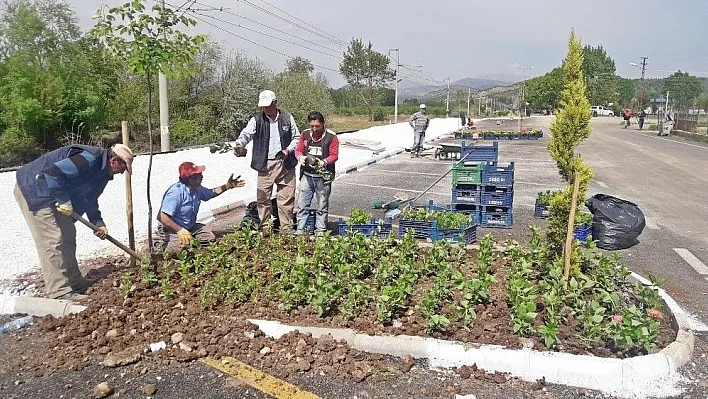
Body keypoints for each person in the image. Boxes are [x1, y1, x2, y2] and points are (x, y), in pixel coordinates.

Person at [14, 144, 134, 301]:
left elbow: (90, 197)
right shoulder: (90, 159)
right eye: (123, 167)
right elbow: (53, 172)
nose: (122, 172)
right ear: (113, 160)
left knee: (68, 234)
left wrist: (98, 222)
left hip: (55, 191)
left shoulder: (102, 173)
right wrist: (64, 201)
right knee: (53, 239)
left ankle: (75, 282)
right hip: (36, 190)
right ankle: (59, 292)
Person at [233, 90, 300, 233]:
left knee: (286, 199)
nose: (266, 109)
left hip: (286, 163)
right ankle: (265, 230)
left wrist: (288, 150)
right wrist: (240, 145)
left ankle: (286, 230)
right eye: (264, 106)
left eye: (269, 105)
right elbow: (246, 134)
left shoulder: (287, 118)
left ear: (275, 103)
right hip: (265, 165)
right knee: (263, 199)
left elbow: (297, 138)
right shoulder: (256, 120)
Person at [156, 162, 245, 253]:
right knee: (180, 248)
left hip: (189, 226)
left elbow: (211, 193)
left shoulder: (196, 188)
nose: (202, 177)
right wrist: (180, 230)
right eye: (199, 175)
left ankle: (189, 240)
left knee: (209, 237)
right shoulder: (175, 193)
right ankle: (157, 246)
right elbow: (162, 217)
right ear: (191, 179)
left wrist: (227, 186)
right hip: (171, 229)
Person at [294, 111, 339, 235]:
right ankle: (300, 230)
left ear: (323, 124)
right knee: (302, 204)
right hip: (307, 176)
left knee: (322, 206)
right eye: (312, 126)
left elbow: (334, 155)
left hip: (323, 177)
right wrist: (300, 157)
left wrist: (323, 162)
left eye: (317, 126)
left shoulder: (331, 137)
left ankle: (320, 230)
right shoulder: (305, 134)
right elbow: (298, 150)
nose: (314, 129)